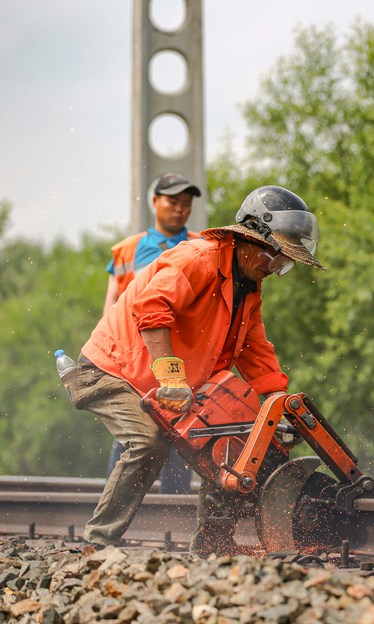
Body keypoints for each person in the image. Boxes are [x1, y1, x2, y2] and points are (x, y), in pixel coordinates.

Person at [63, 185, 324, 554]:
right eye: (276, 258)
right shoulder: (198, 260)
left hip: (160, 382)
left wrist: (278, 405)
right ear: (253, 240)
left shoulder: (247, 287)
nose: (276, 268)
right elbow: (151, 308)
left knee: (235, 441)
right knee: (148, 443)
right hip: (111, 370)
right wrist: (172, 376)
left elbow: (254, 350)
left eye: (284, 264)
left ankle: (213, 544)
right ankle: (95, 543)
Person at [103, 172, 202, 495]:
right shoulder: (127, 251)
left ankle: (171, 517)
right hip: (134, 363)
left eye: (186, 204)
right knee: (132, 437)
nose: (180, 209)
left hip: (180, 360)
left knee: (180, 438)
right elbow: (112, 306)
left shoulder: (200, 245)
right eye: (173, 202)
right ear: (154, 202)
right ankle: (117, 510)